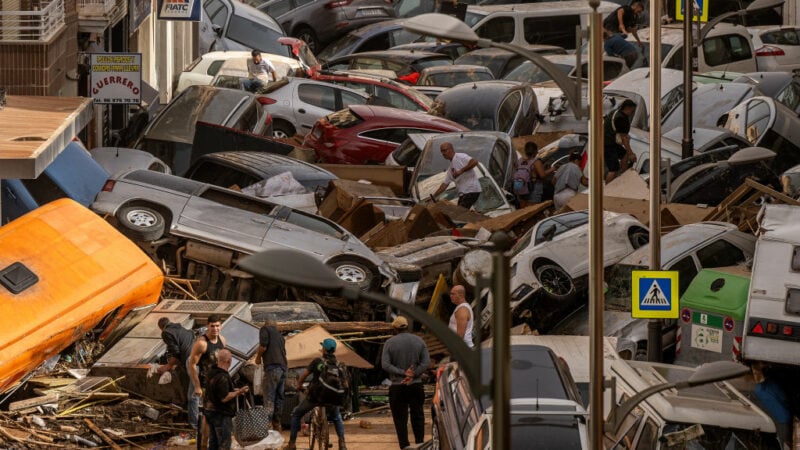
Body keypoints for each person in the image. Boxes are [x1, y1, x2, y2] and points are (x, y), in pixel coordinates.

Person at [285, 339, 348, 450]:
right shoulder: (340, 365)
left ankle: (292, 444)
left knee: (296, 414)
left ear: (324, 349)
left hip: (315, 397)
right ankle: (342, 443)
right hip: (332, 399)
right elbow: (346, 384)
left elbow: (304, 375)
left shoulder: (317, 361)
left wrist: (299, 386)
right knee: (337, 417)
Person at [381, 316, 431, 450]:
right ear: (407, 326)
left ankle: (404, 446)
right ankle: (420, 443)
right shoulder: (419, 341)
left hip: (398, 386)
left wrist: (403, 373)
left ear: (395, 328)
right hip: (415, 384)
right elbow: (426, 362)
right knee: (418, 415)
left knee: (400, 418)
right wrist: (413, 374)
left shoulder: (389, 343)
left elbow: (385, 365)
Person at [204, 349, 250, 450]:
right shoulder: (223, 377)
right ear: (229, 361)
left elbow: (219, 390)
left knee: (213, 442)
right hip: (220, 414)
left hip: (210, 412)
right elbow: (224, 398)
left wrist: (238, 390)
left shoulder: (212, 372)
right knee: (224, 443)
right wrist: (238, 392)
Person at [156, 317, 198, 428]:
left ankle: (195, 425)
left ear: (161, 327)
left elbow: (175, 352)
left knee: (193, 396)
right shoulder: (184, 330)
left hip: (191, 361)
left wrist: (168, 366)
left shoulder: (166, 332)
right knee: (196, 392)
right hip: (198, 359)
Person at [188, 315, 227, 430]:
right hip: (206, 383)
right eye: (212, 326)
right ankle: (204, 438)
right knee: (208, 413)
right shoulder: (202, 343)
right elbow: (192, 364)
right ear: (207, 326)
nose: (215, 329)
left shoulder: (222, 340)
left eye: (217, 326)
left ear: (221, 326)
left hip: (218, 383)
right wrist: (197, 386)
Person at [254, 316, 287, 431]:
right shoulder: (280, 336)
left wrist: (258, 358)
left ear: (267, 323)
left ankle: (266, 426)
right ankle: (277, 423)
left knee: (269, 397)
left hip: (272, 368)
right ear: (275, 325)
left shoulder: (265, 329)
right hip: (283, 369)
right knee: (279, 397)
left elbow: (263, 346)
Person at [432, 142, 482, 209]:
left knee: (460, 213)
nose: (443, 154)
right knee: (457, 212)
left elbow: (474, 162)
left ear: (451, 149)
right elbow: (445, 184)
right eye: (441, 152)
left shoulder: (460, 156)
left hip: (471, 190)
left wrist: (461, 171)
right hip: (463, 193)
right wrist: (434, 196)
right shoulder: (450, 168)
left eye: (444, 150)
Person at [603, 99, 638, 184]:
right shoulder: (622, 119)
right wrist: (631, 153)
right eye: (632, 111)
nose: (632, 113)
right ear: (627, 108)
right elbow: (624, 139)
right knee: (613, 169)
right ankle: (607, 190)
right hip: (607, 144)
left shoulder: (615, 112)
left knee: (623, 154)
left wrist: (628, 153)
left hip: (606, 140)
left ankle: (624, 175)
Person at [603, 1, 645, 67]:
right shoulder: (628, 9)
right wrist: (621, 24)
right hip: (611, 24)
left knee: (614, 41)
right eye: (639, 10)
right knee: (610, 42)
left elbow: (632, 30)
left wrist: (638, 41)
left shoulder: (633, 17)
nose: (639, 13)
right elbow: (620, 11)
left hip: (616, 30)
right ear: (636, 6)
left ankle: (612, 54)